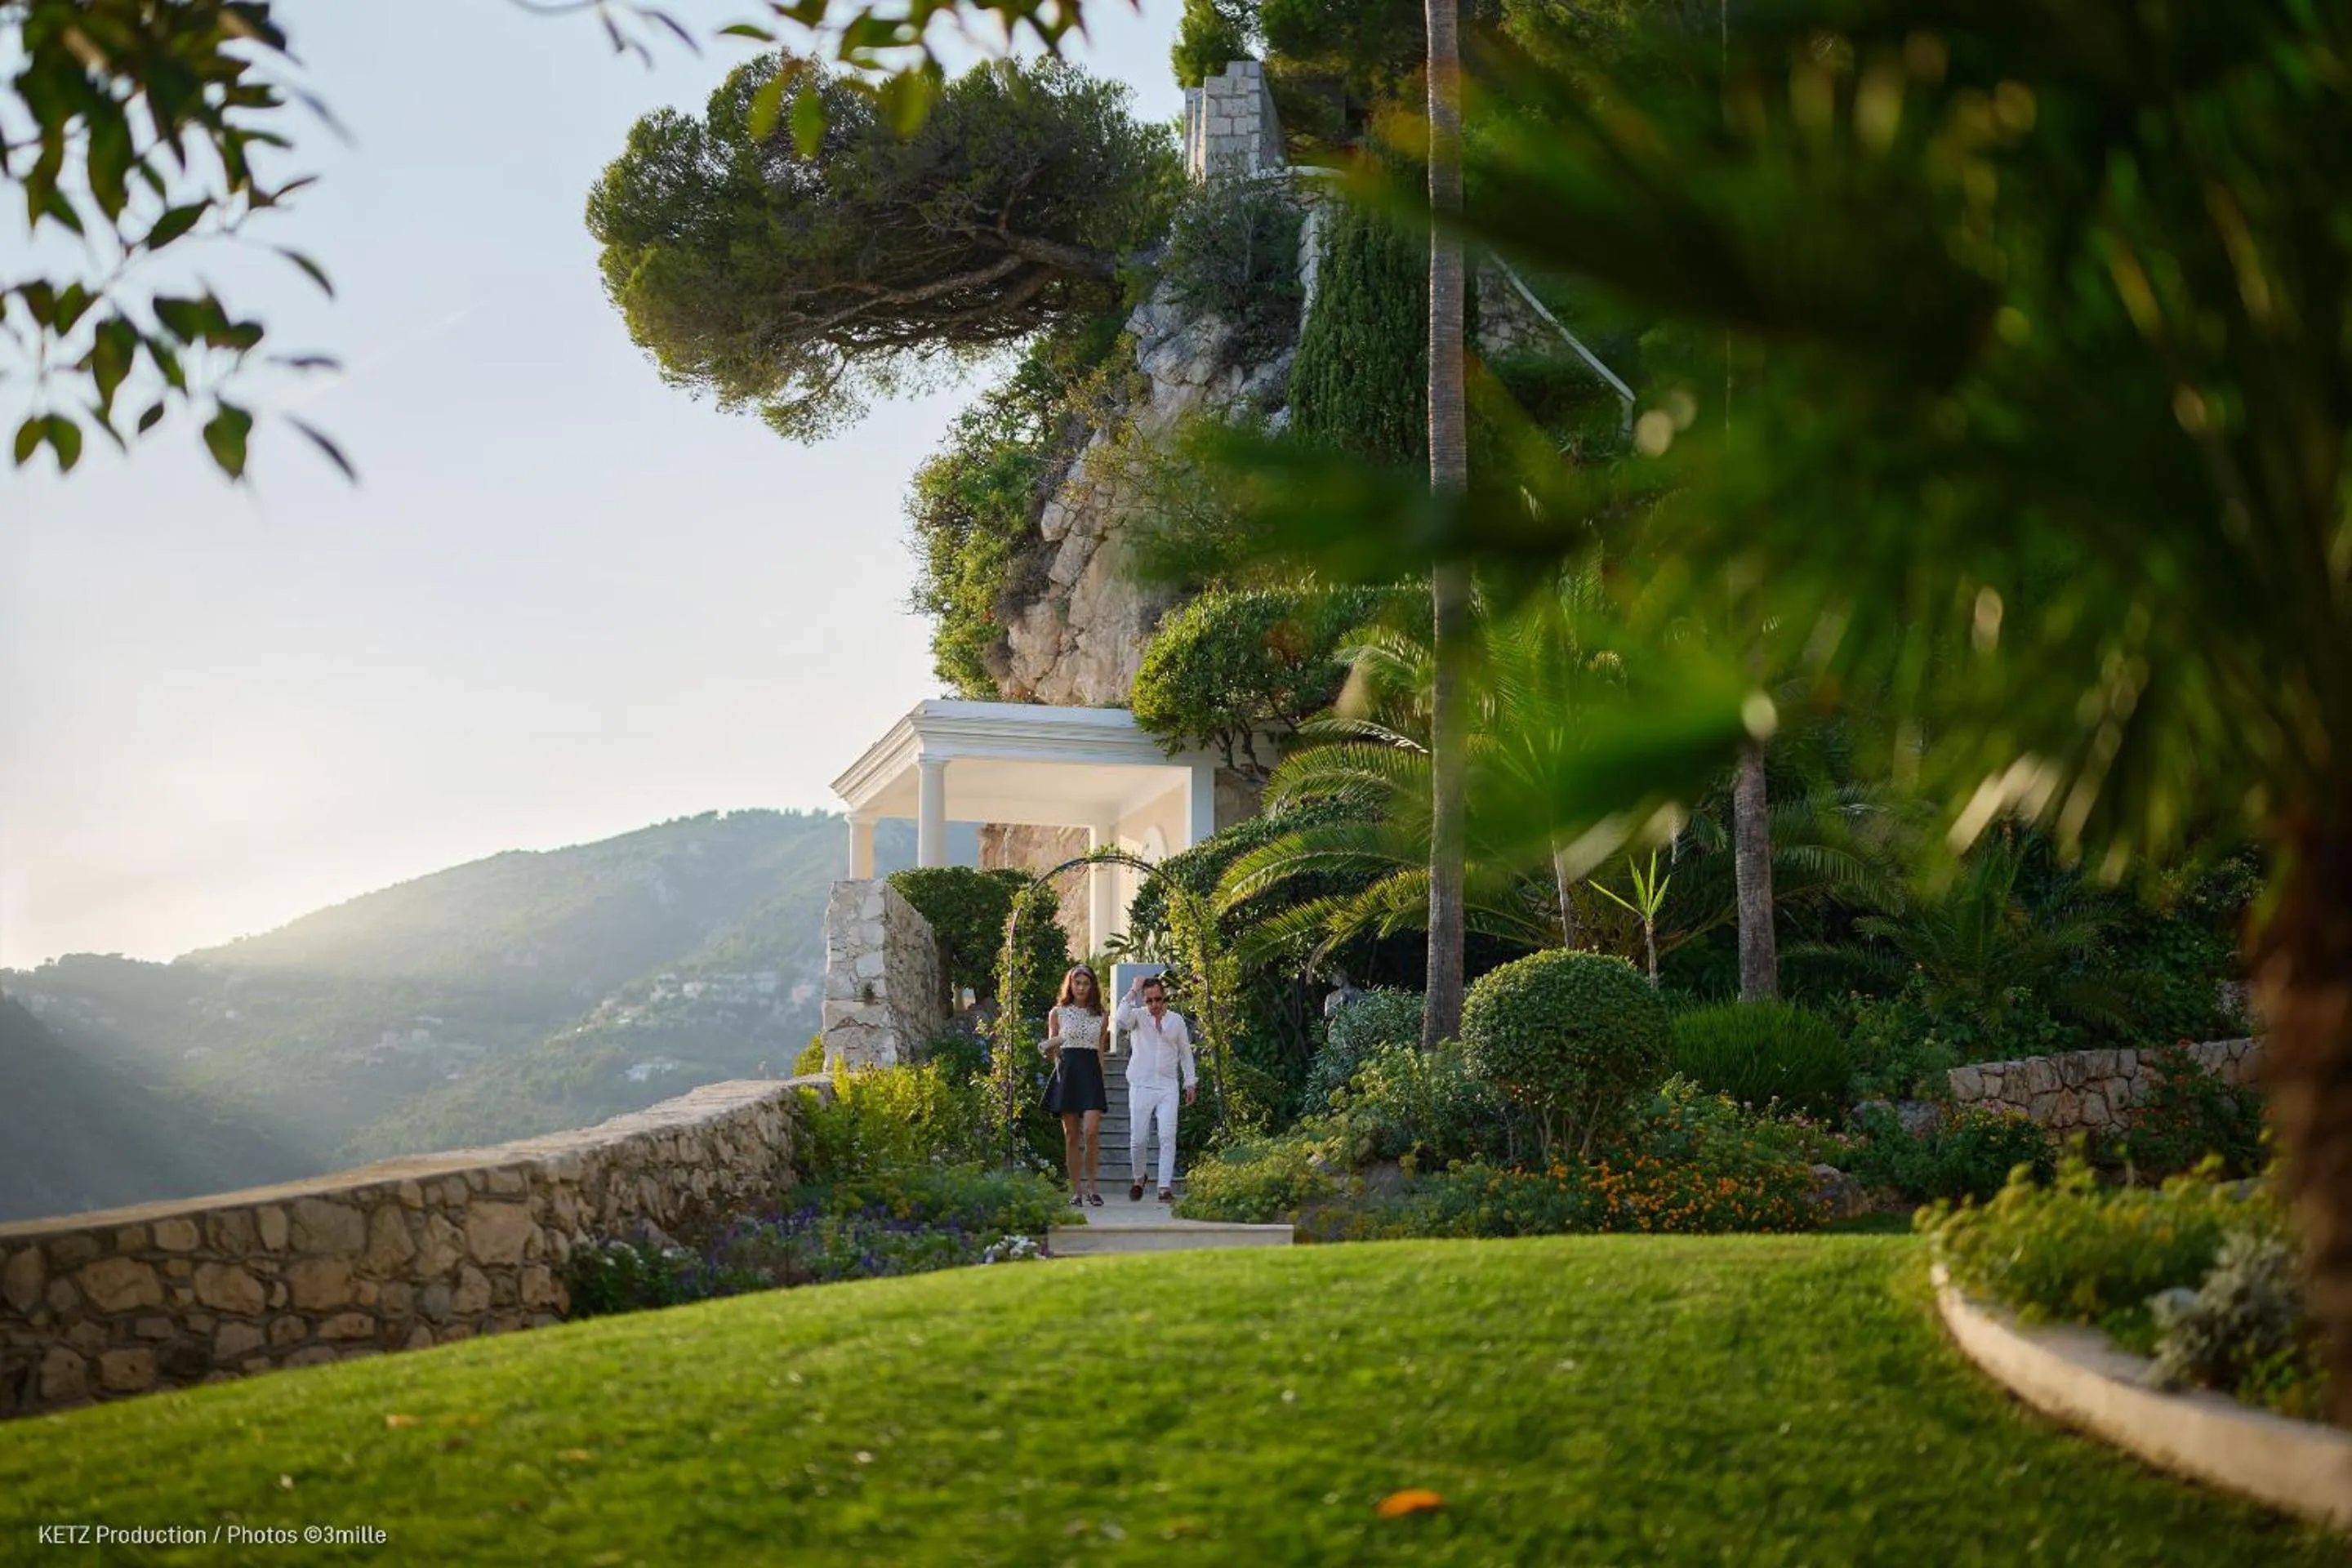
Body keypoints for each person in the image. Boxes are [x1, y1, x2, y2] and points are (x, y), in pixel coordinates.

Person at [1114, 972, 1196, 1202]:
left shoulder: (1176, 1021)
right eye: (1149, 1000)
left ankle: (1164, 1186)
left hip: (1168, 1086)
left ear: (1165, 998)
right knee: (1138, 1139)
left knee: (1167, 1136)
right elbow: (1120, 1020)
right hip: (1141, 1084)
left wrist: (1190, 1082)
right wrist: (1132, 989)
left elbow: (1185, 1054)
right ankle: (1139, 1178)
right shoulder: (1137, 1017)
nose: (1154, 1005)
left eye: (1158, 999)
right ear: (1143, 1000)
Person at [1040, 965, 1109, 1209]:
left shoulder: (1101, 1015)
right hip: (1067, 1074)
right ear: (1070, 985)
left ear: (1092, 987)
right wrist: (1049, 1049)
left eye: (1086, 983)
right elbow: (1052, 1053)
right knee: (1071, 1137)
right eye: (1077, 983)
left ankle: (1093, 1188)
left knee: (1090, 1132)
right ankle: (1077, 1191)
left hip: (1091, 1075)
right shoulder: (1057, 1013)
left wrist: (1101, 1080)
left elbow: (1100, 1052)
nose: (1081, 987)